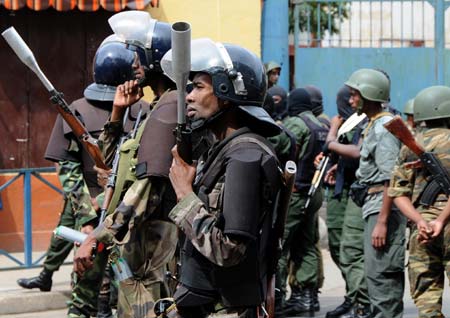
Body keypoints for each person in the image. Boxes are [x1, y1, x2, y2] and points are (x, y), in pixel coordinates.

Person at [17, 38, 142, 318]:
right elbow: (68, 169)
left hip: (129, 216)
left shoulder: (143, 112)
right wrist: (87, 218)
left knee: (131, 298)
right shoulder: (77, 109)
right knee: (85, 291)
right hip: (88, 212)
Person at [73, 10, 184, 318]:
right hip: (139, 246)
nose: (133, 64)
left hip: (152, 248)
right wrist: (117, 114)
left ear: (155, 59)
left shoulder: (169, 107)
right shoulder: (155, 108)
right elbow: (109, 164)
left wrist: (96, 237)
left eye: (138, 57)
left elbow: (147, 185)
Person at [161, 38, 282, 318]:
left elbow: (229, 250)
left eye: (199, 87)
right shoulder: (223, 149)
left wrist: (184, 193)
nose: (189, 96)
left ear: (227, 94)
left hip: (227, 308)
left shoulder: (245, 157)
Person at [327, 68, 405, 318]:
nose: (350, 101)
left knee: (382, 279)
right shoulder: (374, 124)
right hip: (372, 204)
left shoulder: (382, 127)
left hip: (380, 207)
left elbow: (390, 177)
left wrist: (382, 222)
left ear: (369, 95)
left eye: (354, 95)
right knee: (375, 276)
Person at [388, 85, 450, 318]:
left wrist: (421, 220)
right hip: (446, 224)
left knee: (426, 298)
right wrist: (442, 220)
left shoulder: (409, 145)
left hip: (422, 229)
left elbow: (397, 194)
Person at [270, 87, 329, 317]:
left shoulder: (296, 123)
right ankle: (307, 296)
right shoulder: (320, 125)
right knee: (307, 244)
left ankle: (279, 297)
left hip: (295, 193)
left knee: (281, 245)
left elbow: (280, 146)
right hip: (313, 193)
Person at [320, 86, 370, 318]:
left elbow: (359, 154)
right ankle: (353, 296)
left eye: (352, 97)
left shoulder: (363, 122)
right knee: (339, 246)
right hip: (341, 188)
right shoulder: (349, 123)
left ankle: (360, 300)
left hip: (356, 192)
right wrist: (337, 164)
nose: (348, 103)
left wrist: (332, 134)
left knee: (350, 250)